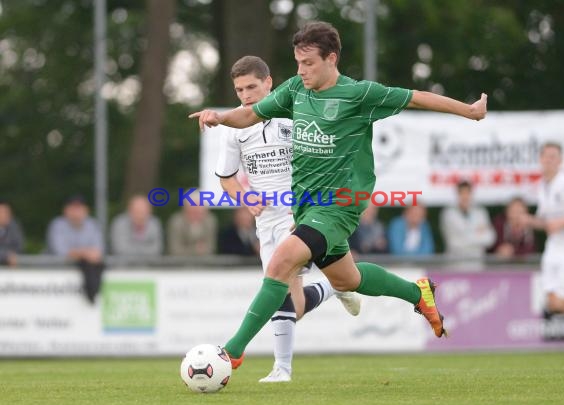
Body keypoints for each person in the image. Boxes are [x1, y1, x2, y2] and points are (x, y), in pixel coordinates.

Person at [190, 21, 487, 369]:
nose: (301, 71)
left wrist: (467, 110)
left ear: (331, 59)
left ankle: (231, 352)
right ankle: (417, 293)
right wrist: (220, 117)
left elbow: (415, 97)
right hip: (306, 208)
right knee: (349, 279)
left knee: (281, 263)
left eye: (309, 63)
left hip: (338, 207)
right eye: (298, 63)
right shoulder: (294, 91)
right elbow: (251, 113)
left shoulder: (359, 94)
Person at [214, 55, 361, 382]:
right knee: (293, 304)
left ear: (269, 83)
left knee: (278, 291)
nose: (246, 95)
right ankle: (333, 288)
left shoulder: (298, 113)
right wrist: (245, 196)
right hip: (266, 223)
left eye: (252, 87)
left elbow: (326, 162)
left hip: (302, 215)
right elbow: (226, 178)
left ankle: (281, 369)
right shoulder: (234, 127)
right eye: (239, 89)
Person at [521, 142, 564, 315]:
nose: (549, 160)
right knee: (551, 303)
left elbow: (557, 223)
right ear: (540, 159)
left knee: (558, 303)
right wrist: (528, 220)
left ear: (560, 160)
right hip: (553, 247)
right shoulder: (542, 186)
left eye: (553, 157)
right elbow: (546, 223)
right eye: (546, 156)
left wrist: (562, 222)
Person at [47, 195, 104, 304]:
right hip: (57, 274)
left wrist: (79, 253)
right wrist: (85, 253)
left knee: (97, 265)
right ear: (65, 210)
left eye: (79, 208)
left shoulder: (93, 225)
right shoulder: (57, 225)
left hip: (87, 267)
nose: (76, 212)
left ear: (86, 210)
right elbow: (61, 251)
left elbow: (98, 251)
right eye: (73, 208)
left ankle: (93, 293)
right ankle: (91, 294)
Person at [440, 180, 495, 264]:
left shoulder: (481, 213)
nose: (465, 196)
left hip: (477, 264)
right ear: (457, 194)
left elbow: (489, 238)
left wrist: (464, 235)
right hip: (455, 264)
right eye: (462, 193)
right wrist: (477, 234)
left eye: (467, 193)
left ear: (471, 194)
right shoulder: (448, 214)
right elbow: (454, 242)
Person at [167, 191, 217, 256]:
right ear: (185, 210)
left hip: (205, 263)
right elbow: (174, 250)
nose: (196, 215)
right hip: (179, 263)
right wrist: (195, 250)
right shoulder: (176, 222)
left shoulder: (210, 221)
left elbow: (210, 248)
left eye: (199, 211)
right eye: (193, 211)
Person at [0, 200, 25, 266]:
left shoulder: (14, 226)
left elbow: (19, 246)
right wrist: (6, 255)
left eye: (8, 212)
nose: (6, 215)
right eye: (3, 212)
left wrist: (13, 255)